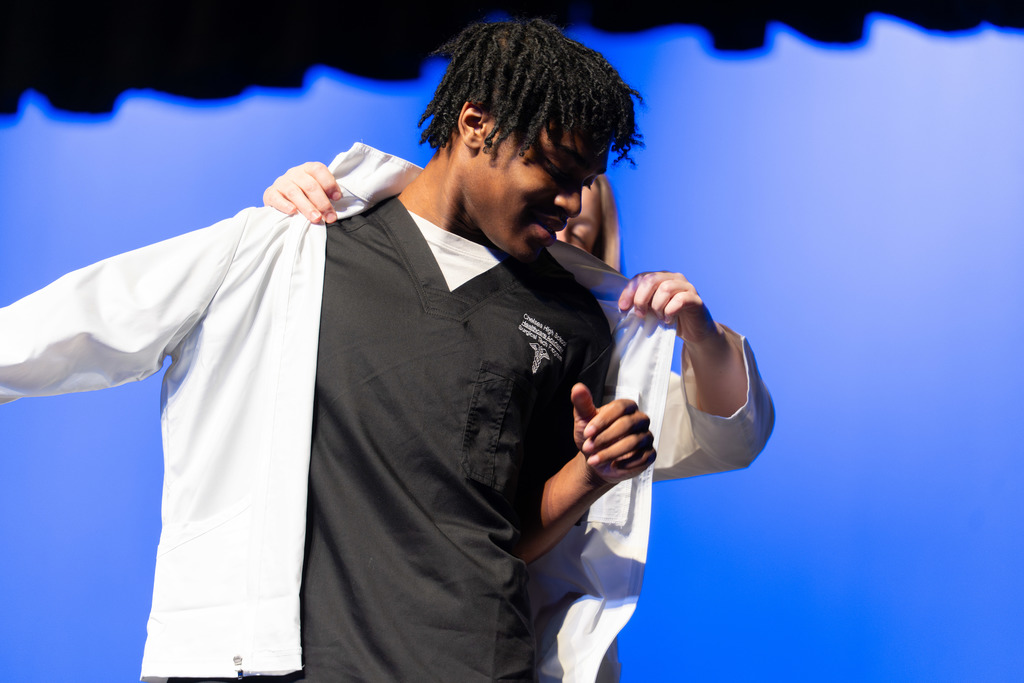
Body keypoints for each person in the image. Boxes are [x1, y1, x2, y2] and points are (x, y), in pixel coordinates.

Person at [0, 18, 694, 683]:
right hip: (283, 662)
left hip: (474, 660)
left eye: (587, 180)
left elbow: (510, 530)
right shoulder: (294, 245)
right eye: (558, 168)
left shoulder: (572, 319)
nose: (572, 202)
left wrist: (595, 472)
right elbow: (87, 316)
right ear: (475, 124)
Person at [262, 152, 774, 681]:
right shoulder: (407, 302)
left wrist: (702, 336)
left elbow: (733, 434)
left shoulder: (605, 365)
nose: (557, 224)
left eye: (578, 226)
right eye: (545, 202)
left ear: (600, 250)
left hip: (511, 649)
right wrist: (307, 194)